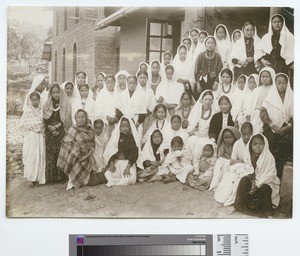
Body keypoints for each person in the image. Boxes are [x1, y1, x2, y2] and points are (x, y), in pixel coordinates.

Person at [234, 134, 280, 218]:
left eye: (260, 144)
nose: (257, 147)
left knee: (265, 188)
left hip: (266, 181)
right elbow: (248, 169)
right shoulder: (249, 156)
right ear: (250, 145)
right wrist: (252, 181)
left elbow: (270, 174)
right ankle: (242, 206)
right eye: (255, 144)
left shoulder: (269, 157)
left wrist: (258, 183)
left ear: (265, 145)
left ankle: (267, 212)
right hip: (253, 181)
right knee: (244, 180)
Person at [261, 73, 293, 178]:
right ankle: (269, 174)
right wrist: (272, 125)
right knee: (269, 140)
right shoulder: (270, 97)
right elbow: (263, 113)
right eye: (279, 83)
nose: (282, 85)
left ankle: (283, 176)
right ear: (275, 84)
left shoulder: (292, 97)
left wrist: (288, 127)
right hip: (272, 127)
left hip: (288, 127)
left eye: (284, 83)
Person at [213, 121, 254, 205]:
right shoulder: (237, 144)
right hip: (239, 167)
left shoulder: (254, 142)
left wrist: (244, 163)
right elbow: (232, 161)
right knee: (229, 177)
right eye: (244, 134)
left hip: (251, 169)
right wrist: (242, 162)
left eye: (248, 134)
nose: (246, 137)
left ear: (252, 133)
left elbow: (254, 162)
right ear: (241, 133)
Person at [57, 109, 95, 190]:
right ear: (76, 118)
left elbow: (92, 146)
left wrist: (86, 156)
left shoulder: (90, 129)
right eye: (79, 117)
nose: (81, 119)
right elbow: (66, 145)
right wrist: (76, 152)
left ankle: (82, 181)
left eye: (83, 117)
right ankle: (72, 182)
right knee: (74, 154)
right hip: (74, 156)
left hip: (86, 156)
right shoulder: (72, 129)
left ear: (87, 118)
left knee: (86, 180)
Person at [43, 83, 72, 183]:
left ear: (61, 93)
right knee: (51, 153)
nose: (56, 95)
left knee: (60, 153)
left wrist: (56, 127)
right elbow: (45, 118)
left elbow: (66, 119)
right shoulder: (47, 104)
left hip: (61, 131)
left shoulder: (65, 104)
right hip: (50, 132)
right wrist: (50, 128)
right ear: (51, 93)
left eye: (58, 92)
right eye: (54, 93)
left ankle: (61, 177)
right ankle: (51, 177)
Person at [103, 117, 140, 187]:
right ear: (119, 127)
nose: (124, 128)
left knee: (130, 178)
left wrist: (127, 168)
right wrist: (111, 164)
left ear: (130, 127)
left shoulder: (132, 138)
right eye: (122, 126)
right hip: (117, 162)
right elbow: (112, 151)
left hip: (128, 163)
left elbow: (134, 154)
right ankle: (117, 180)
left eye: (126, 126)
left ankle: (118, 181)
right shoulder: (116, 137)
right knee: (107, 174)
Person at [20, 91, 45, 186]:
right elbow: (24, 124)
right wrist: (36, 126)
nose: (35, 102)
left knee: (39, 155)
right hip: (31, 136)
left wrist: (40, 127)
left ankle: (38, 177)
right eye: (33, 100)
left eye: (37, 100)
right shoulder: (28, 112)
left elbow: (43, 123)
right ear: (30, 101)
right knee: (31, 156)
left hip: (39, 136)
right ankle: (31, 178)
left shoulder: (41, 110)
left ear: (39, 100)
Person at [209, 126, 241, 191]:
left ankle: (225, 184)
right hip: (224, 161)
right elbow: (220, 154)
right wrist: (224, 157)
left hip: (232, 162)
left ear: (234, 137)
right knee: (220, 162)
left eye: (230, 137)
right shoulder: (223, 144)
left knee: (227, 164)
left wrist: (229, 159)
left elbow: (236, 156)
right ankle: (217, 182)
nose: (228, 140)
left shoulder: (236, 145)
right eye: (226, 138)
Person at [249, 67, 276, 133]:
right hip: (255, 115)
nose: (264, 79)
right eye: (263, 76)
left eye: (267, 76)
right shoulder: (256, 90)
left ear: (272, 77)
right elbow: (250, 104)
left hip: (268, 116)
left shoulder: (274, 90)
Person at [137, 70, 156, 135]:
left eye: (144, 78)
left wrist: (146, 113)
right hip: (137, 115)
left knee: (145, 132)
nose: (142, 80)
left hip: (147, 115)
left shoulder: (150, 91)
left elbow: (152, 104)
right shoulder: (135, 90)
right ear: (137, 78)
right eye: (141, 78)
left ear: (147, 78)